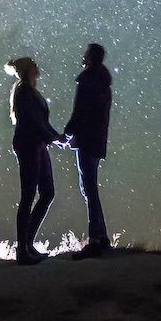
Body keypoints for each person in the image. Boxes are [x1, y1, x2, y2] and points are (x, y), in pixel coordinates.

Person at [6, 56, 64, 263]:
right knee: (29, 195)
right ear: (29, 70)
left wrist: (55, 137)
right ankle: (23, 249)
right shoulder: (24, 91)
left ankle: (27, 244)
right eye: (34, 65)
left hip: (37, 145)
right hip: (30, 145)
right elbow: (33, 121)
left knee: (46, 193)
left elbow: (40, 121)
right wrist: (54, 137)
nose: (38, 67)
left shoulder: (28, 90)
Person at [63, 42, 114, 256]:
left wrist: (67, 133)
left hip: (86, 141)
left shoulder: (87, 81)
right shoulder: (103, 82)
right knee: (91, 188)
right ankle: (101, 236)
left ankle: (96, 239)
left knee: (89, 189)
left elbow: (80, 111)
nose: (82, 57)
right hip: (97, 140)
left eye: (85, 54)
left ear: (90, 57)